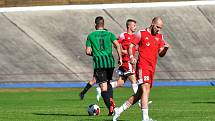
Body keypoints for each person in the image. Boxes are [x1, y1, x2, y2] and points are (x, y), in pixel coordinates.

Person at [113, 17, 170, 121]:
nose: (158, 29)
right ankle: (145, 118)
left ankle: (119, 110)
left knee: (139, 94)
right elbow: (131, 46)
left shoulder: (160, 37)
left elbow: (161, 54)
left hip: (152, 68)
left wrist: (165, 48)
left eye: (160, 28)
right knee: (145, 89)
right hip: (142, 66)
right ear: (152, 23)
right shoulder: (141, 33)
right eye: (157, 27)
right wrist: (131, 57)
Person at [80, 19, 138, 102]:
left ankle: (98, 90)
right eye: (134, 25)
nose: (135, 27)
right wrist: (122, 53)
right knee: (134, 80)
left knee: (119, 83)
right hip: (125, 61)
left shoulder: (135, 36)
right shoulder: (123, 35)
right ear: (129, 26)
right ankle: (140, 101)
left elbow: (132, 47)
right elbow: (117, 45)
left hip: (108, 62)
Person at [85, 16, 122, 116]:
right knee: (108, 83)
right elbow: (117, 45)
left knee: (103, 88)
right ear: (103, 24)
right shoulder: (109, 34)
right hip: (110, 63)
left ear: (95, 24)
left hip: (100, 64)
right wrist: (120, 58)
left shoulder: (91, 35)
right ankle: (111, 106)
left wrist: (96, 53)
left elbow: (88, 51)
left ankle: (110, 105)